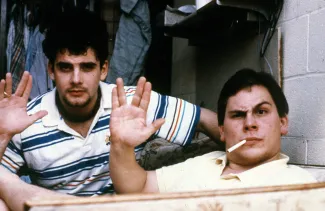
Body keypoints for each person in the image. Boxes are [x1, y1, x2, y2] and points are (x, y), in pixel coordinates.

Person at [0, 9, 219, 210]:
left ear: (104, 69)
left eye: (87, 67)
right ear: (51, 70)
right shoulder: (26, 121)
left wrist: (247, 159)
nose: (76, 80)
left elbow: (207, 120)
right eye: (65, 67)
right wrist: (2, 135)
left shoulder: (131, 105)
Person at [109, 68, 317, 194]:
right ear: (222, 131)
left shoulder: (299, 186)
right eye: (237, 115)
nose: (250, 123)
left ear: (283, 123)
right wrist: (122, 145)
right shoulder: (204, 163)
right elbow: (137, 187)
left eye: (261, 112)